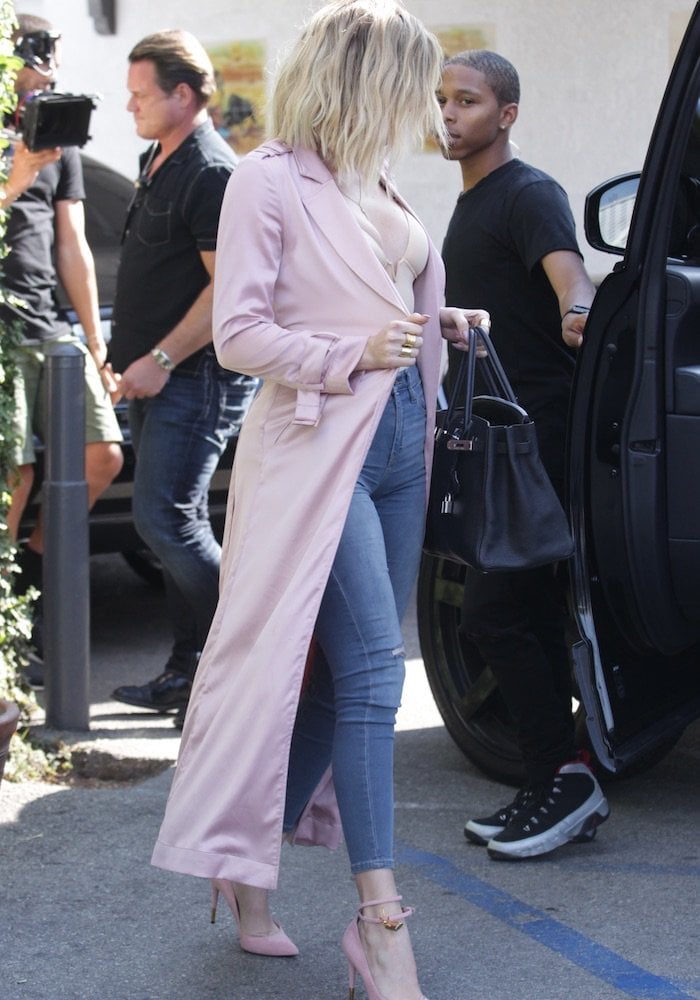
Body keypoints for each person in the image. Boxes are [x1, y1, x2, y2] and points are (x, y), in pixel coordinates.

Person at [151, 3, 488, 997]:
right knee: (381, 674)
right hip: (312, 451)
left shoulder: (374, 177)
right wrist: (348, 352)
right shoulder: (265, 178)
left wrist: (436, 319)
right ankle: (380, 925)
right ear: (362, 74)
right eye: (411, 81)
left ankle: (243, 869)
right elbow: (240, 335)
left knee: (339, 681)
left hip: (394, 446)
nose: (423, 105)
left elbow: (382, 292)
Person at [438, 49, 610, 860]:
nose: (449, 114)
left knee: (493, 612)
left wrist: (579, 310)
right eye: (443, 100)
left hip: (534, 441)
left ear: (505, 113)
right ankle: (560, 776)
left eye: (467, 101)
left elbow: (568, 274)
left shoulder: (528, 193)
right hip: (493, 443)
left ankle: (565, 783)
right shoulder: (470, 203)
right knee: (530, 612)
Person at [106, 30, 257, 725]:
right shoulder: (156, 157)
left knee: (162, 520)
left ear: (184, 95)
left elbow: (225, 290)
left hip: (194, 380)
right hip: (156, 378)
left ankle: (256, 656)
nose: (130, 104)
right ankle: (190, 671)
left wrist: (160, 359)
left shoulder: (211, 170)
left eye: (142, 94)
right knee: (178, 521)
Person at [1, 14, 123, 652]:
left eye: (51, 54)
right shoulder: (11, 143)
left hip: (50, 323)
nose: (44, 67)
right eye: (33, 54)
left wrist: (97, 345)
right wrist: (14, 178)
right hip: (2, 332)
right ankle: (10, 628)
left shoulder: (57, 139)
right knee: (14, 476)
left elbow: (72, 243)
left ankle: (31, 584)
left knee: (101, 455)